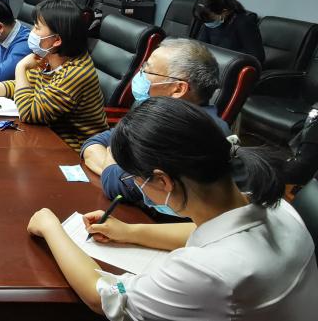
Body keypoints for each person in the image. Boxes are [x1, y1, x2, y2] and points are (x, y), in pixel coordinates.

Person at [27, 97, 318, 320]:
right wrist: (130, 232)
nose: (136, 185)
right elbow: (208, 231)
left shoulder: (206, 272)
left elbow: (102, 297)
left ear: (163, 181)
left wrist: (51, 227)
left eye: (134, 179)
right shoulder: (278, 208)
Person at [82, 38, 233, 204]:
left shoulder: (191, 133)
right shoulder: (158, 111)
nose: (140, 75)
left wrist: (110, 154)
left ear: (178, 88)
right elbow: (94, 143)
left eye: (148, 71)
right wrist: (113, 166)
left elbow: (118, 186)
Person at [0, 0, 108, 150]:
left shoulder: (75, 73)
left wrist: (21, 67)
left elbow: (28, 112)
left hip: (72, 150)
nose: (32, 32)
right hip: (44, 137)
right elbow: (21, 86)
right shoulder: (48, 57)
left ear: (56, 40)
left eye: (37, 28)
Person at [193, 0, 265, 65]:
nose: (208, 24)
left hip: (235, 65)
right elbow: (200, 46)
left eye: (210, 20)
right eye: (205, 21)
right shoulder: (208, 20)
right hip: (215, 63)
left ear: (224, 12)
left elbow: (257, 57)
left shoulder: (244, 23)